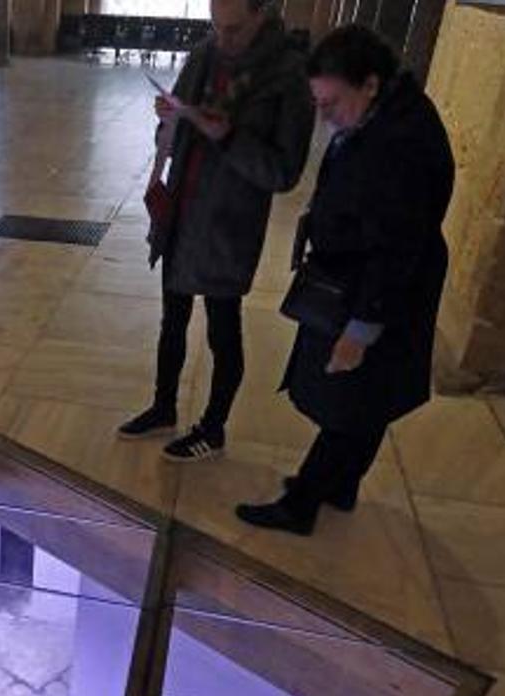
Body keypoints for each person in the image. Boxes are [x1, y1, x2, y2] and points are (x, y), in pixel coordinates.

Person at [236, 25, 455, 535]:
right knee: (362, 398)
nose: (324, 115)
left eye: (332, 103)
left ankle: (302, 504)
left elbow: (397, 244)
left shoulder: (401, 145)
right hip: (364, 277)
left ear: (370, 84)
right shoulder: (386, 117)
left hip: (377, 290)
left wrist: (361, 329)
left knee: (350, 398)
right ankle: (341, 484)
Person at [117, 0, 315, 462]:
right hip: (182, 214)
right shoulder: (205, 55)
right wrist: (169, 118)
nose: (222, 39)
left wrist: (226, 135)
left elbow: (283, 172)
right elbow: (179, 126)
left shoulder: (287, 76)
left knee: (223, 332)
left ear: (262, 16)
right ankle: (163, 407)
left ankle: (214, 427)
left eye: (234, 29)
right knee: (173, 321)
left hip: (228, 225)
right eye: (215, 26)